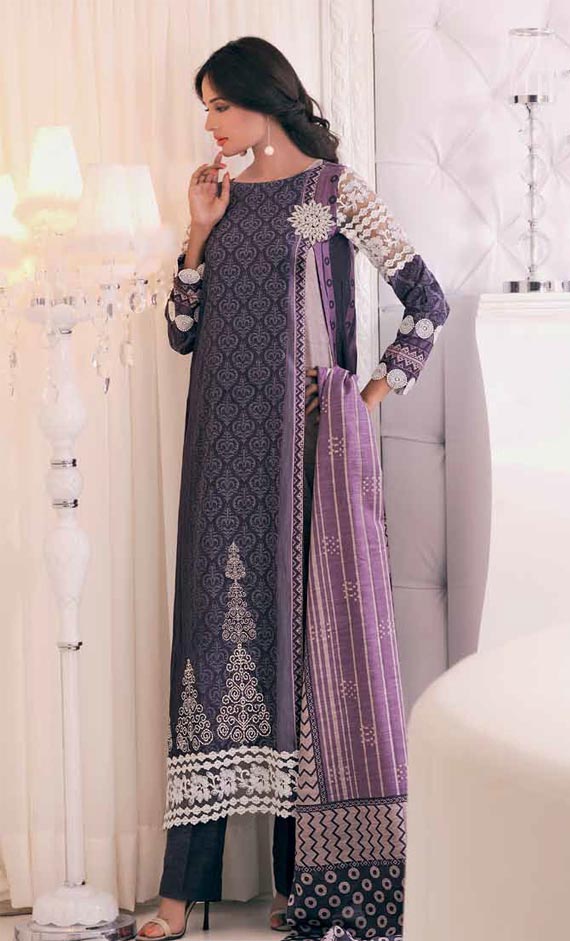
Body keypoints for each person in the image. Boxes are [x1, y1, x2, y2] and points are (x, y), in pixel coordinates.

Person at [137, 35, 450, 941]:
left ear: (264, 101)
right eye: (205, 108)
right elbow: (180, 332)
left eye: (219, 105)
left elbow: (427, 299)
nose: (209, 123)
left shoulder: (334, 191)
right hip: (217, 458)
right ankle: (177, 893)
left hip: (305, 455)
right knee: (210, 656)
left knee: (301, 655)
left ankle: (300, 880)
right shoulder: (221, 197)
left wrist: (367, 395)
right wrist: (198, 231)